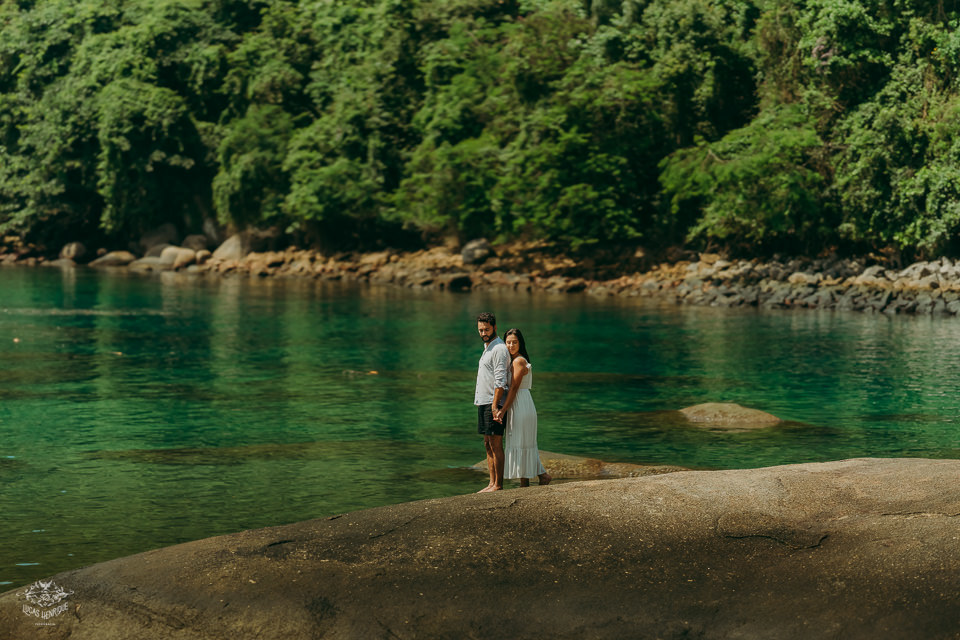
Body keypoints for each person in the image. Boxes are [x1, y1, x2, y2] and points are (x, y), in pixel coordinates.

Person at [494, 328, 551, 487]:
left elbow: (513, 388)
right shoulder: (513, 360)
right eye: (508, 342)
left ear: (520, 343)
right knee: (523, 442)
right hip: (520, 402)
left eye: (514, 342)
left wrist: (502, 410)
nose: (511, 345)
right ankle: (540, 477)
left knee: (521, 442)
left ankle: (527, 482)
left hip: (520, 404)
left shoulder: (518, 361)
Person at [474, 311, 510, 493]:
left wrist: (495, 406)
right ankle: (491, 483)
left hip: (493, 402)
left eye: (486, 329)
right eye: (481, 330)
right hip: (483, 401)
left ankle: (498, 485)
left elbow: (500, 380)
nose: (483, 333)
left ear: (495, 327)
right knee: (487, 443)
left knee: (496, 444)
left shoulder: (499, 349)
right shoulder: (488, 347)